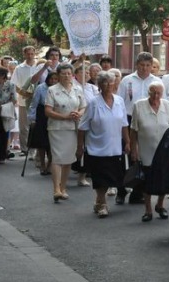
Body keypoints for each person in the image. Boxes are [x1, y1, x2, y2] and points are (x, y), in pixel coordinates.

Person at [77, 71, 130, 218]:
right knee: (100, 178)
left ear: (114, 84)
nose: (108, 85)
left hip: (114, 148)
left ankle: (98, 201)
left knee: (110, 177)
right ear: (99, 85)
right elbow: (82, 126)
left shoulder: (119, 101)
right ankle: (103, 204)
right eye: (104, 82)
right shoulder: (94, 103)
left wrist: (127, 142)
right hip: (97, 148)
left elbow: (124, 123)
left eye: (111, 82)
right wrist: (80, 146)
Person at [116, 52, 158, 205]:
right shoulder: (127, 80)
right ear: (137, 65)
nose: (145, 68)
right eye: (142, 65)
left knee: (143, 157)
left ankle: (137, 192)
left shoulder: (156, 82)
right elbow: (120, 102)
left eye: (148, 65)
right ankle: (121, 191)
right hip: (128, 119)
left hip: (147, 121)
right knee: (126, 155)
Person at [130, 80, 169, 223]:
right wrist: (133, 150)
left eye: (158, 93)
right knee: (147, 181)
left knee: (164, 179)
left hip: (164, 150)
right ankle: (148, 209)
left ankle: (160, 205)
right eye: (152, 92)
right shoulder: (139, 105)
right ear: (148, 92)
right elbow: (133, 130)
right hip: (146, 149)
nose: (155, 96)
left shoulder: (167, 105)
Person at [44, 63, 86, 202]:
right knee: (57, 157)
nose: (66, 76)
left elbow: (83, 107)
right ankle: (56, 189)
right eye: (63, 73)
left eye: (69, 73)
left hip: (73, 128)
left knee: (68, 158)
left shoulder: (77, 88)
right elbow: (48, 111)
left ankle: (63, 187)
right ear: (58, 75)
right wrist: (64, 117)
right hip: (57, 127)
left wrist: (78, 114)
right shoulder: (52, 90)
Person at [11, 46, 47, 155]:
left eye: (32, 54)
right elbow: (14, 84)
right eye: (28, 54)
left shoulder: (40, 66)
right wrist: (23, 93)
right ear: (24, 54)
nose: (30, 56)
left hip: (38, 100)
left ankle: (35, 149)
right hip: (24, 100)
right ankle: (25, 149)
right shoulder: (19, 68)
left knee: (36, 125)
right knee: (24, 127)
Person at [29, 70, 58, 175]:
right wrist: (32, 118)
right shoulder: (41, 88)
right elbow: (34, 104)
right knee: (41, 143)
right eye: (52, 78)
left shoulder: (60, 88)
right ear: (47, 79)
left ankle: (50, 164)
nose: (53, 81)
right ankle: (42, 164)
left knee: (52, 143)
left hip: (55, 115)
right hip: (42, 115)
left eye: (56, 79)